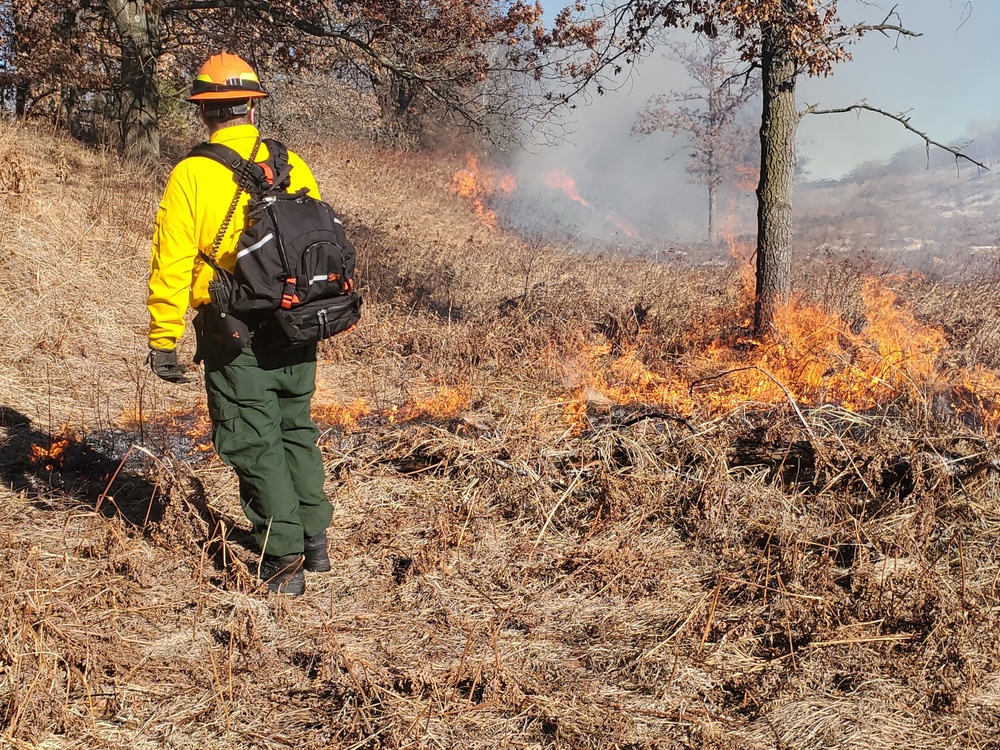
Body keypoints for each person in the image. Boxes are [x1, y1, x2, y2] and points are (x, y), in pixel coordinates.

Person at [146, 52, 332, 596]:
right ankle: (315, 539)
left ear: (203, 111)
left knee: (252, 438)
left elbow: (172, 262)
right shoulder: (293, 163)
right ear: (252, 105)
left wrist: (163, 339)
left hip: (234, 330)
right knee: (295, 425)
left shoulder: (192, 174)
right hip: (298, 323)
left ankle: (281, 560)